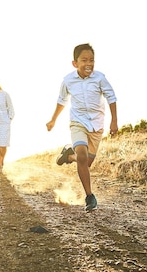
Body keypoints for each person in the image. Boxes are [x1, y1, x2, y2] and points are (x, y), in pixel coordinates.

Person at [46, 43, 118, 211]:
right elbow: (61, 101)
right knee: (83, 156)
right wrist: (53, 120)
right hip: (78, 122)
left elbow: (111, 97)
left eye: (91, 60)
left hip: (96, 125)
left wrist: (114, 121)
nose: (88, 64)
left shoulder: (100, 78)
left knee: (87, 162)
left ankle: (68, 156)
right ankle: (89, 196)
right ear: (75, 63)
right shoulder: (68, 80)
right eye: (84, 60)